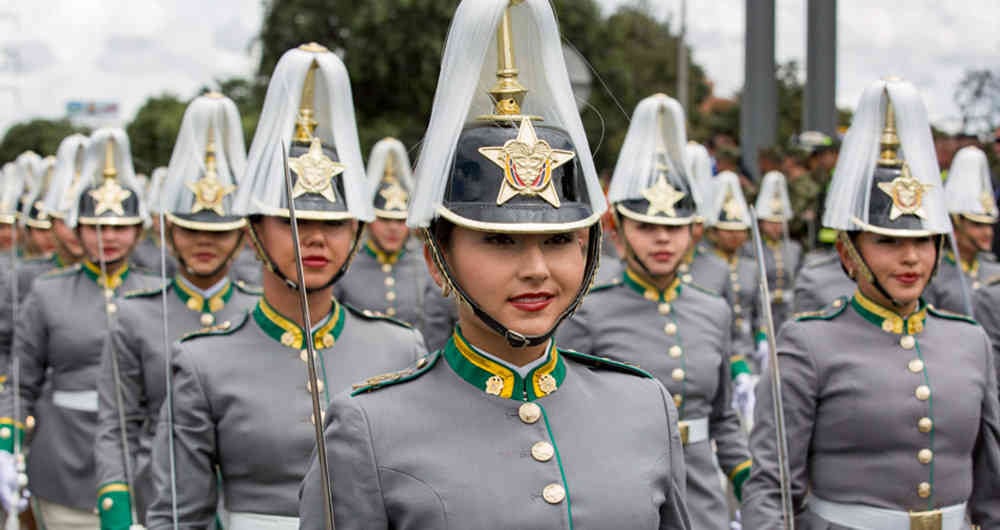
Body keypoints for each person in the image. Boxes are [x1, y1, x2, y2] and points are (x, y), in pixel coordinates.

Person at [299, 2, 691, 528]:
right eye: (500, 241)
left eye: (557, 240)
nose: (536, 269)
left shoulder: (645, 407)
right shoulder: (368, 426)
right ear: (438, 259)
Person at [144, 44, 425, 530]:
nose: (314, 236)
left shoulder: (399, 348)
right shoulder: (202, 362)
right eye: (292, 218)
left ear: (357, 231)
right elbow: (178, 517)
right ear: (253, 228)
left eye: (335, 222)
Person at [743, 78, 1000, 529]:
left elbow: (992, 486)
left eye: (923, 241)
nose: (910, 257)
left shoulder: (969, 340)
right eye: (887, 241)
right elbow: (772, 488)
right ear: (848, 252)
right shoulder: (808, 344)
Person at [557, 93, 749, 529]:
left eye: (674, 228)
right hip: (620, 494)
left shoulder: (712, 309)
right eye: (647, 227)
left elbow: (723, 421)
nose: (662, 240)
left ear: (692, 233)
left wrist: (748, 482)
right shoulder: (587, 311)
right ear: (619, 229)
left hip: (702, 496)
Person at [93, 92, 261, 527]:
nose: (204, 242)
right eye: (190, 229)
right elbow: (118, 425)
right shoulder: (135, 316)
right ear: (168, 232)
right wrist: (117, 506)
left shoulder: (258, 310)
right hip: (161, 500)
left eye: (219, 231)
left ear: (243, 235)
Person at [1, 128, 161, 529]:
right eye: (96, 226)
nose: (108, 237)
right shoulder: (47, 292)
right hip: (64, 461)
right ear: (78, 229)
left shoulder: (158, 293)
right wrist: (7, 445)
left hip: (147, 462)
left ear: (139, 230)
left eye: (120, 227)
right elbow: (22, 382)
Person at [334, 137, 440, 330]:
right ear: (369, 220)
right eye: (384, 219)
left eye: (400, 221)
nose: (393, 228)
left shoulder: (427, 267)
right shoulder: (344, 267)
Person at [924, 146, 1000, 314]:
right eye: (977, 225)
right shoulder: (933, 275)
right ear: (956, 226)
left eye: (989, 225)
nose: (988, 232)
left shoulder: (994, 269)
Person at [700, 170, 760, 373]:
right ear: (714, 232)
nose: (735, 236)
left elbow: (758, 312)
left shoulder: (751, 267)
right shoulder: (705, 266)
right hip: (714, 344)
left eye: (740, 230)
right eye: (727, 230)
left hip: (746, 347)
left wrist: (762, 339)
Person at [744, 170, 801, 331]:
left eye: (779, 222)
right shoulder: (751, 248)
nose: (776, 227)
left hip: (787, 309)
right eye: (771, 222)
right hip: (763, 310)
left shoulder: (794, 248)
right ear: (762, 223)